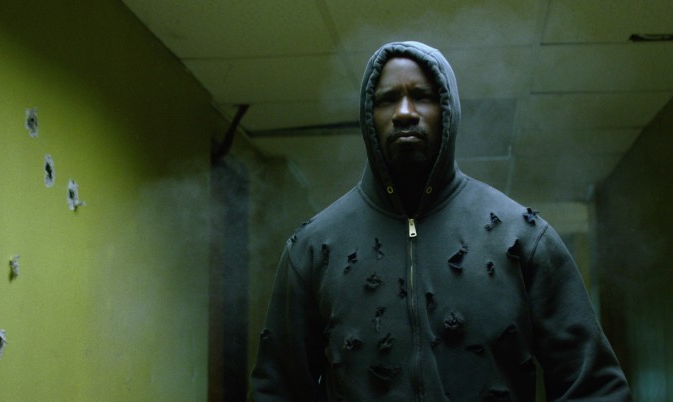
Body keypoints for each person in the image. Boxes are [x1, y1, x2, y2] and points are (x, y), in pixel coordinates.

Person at [250, 41, 631, 401]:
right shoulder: (316, 247)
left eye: (422, 96)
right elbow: (276, 389)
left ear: (448, 110)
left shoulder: (520, 237)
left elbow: (595, 388)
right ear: (369, 116)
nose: (404, 113)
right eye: (387, 99)